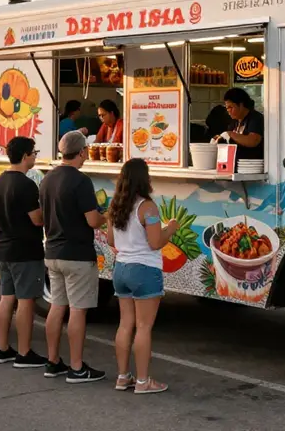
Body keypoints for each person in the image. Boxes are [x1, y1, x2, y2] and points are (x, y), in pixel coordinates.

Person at [40, 131, 106, 383]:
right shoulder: (81, 181)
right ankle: (77, 367)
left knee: (57, 307)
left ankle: (52, 361)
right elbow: (92, 220)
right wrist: (107, 216)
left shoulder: (47, 178)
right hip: (77, 254)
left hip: (52, 251)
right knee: (78, 311)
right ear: (81, 152)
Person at [108, 158, 178, 394]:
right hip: (144, 270)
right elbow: (156, 242)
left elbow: (111, 240)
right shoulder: (148, 208)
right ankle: (143, 381)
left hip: (121, 269)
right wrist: (171, 229)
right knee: (144, 327)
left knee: (125, 324)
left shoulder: (115, 206)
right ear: (144, 179)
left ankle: (122, 377)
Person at [0, 136, 46, 368]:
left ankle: (3, 347)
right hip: (25, 249)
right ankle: (24, 352)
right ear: (25, 156)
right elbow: (37, 219)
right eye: (34, 153)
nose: (35, 156)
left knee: (7, 298)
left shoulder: (0, 181)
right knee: (25, 301)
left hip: (4, 247)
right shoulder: (26, 185)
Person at [213, 88, 264, 160]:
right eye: (227, 108)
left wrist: (230, 134)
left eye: (230, 107)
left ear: (241, 105)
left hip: (252, 163)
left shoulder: (255, 118)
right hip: (235, 163)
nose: (228, 111)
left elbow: (253, 140)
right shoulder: (234, 122)